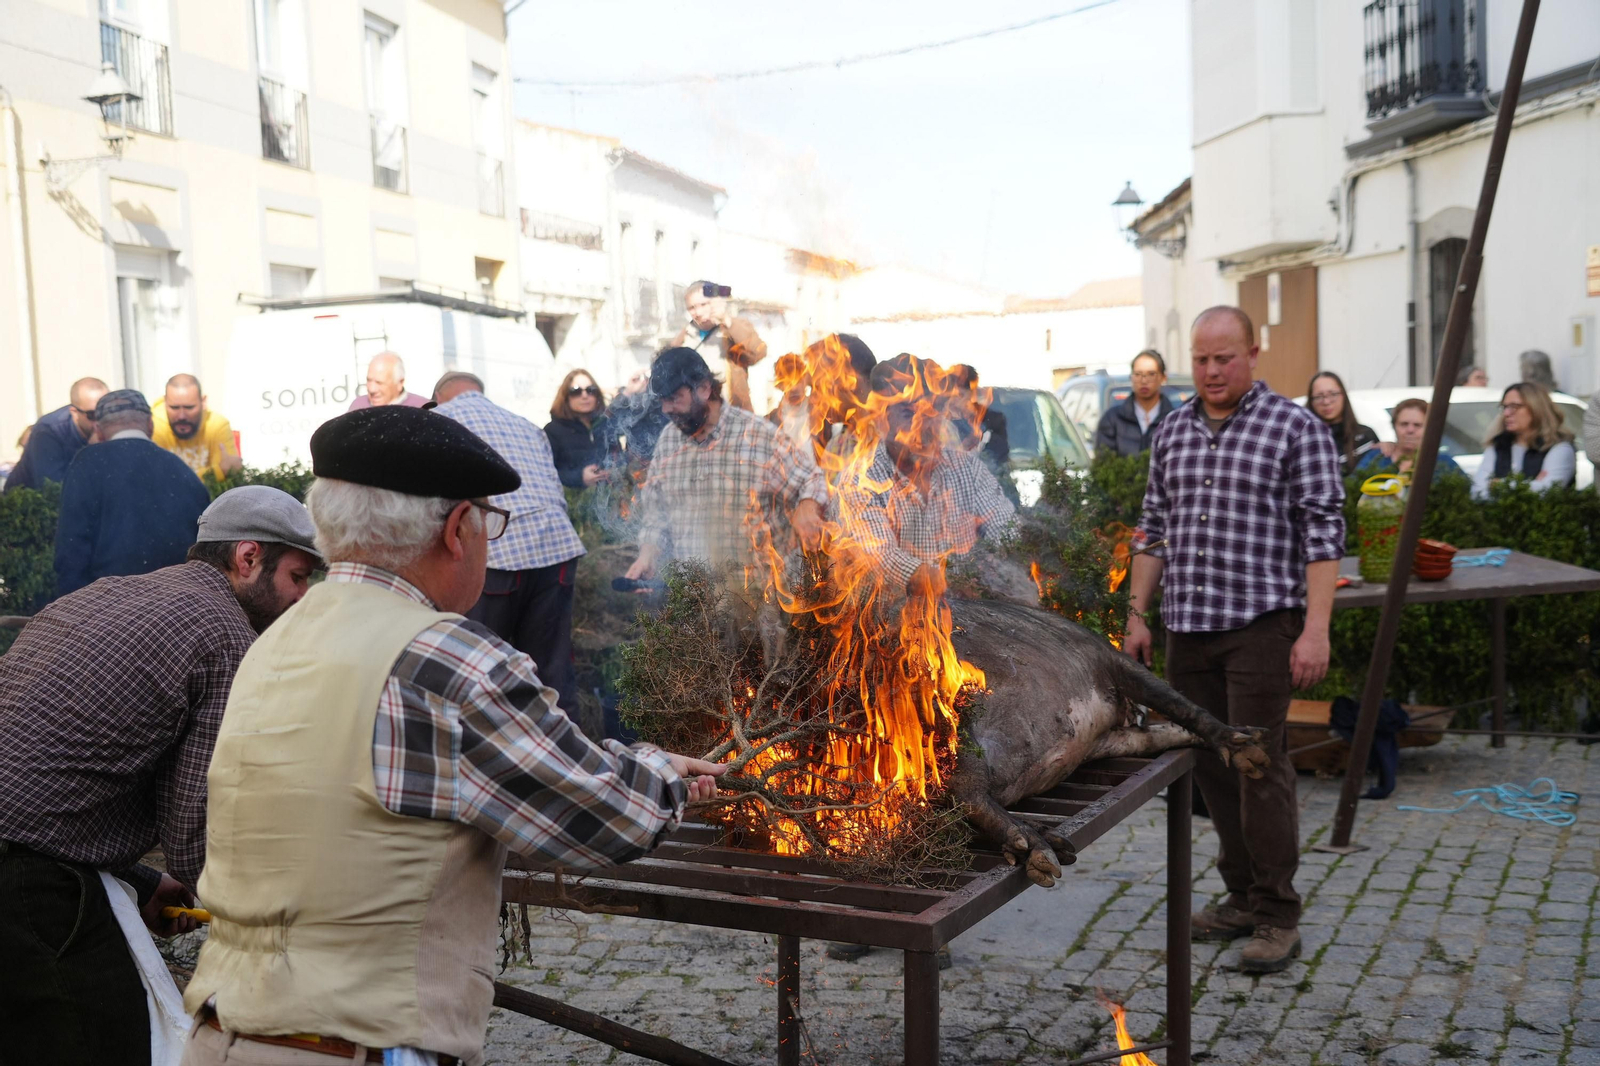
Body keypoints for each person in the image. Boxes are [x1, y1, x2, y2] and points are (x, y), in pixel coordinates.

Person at [180, 405, 723, 1066]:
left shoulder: (277, 638)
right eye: (491, 521)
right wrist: (662, 774)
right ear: (460, 529)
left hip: (221, 1035)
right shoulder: (441, 657)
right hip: (359, 1043)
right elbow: (607, 818)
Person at [0, 486, 320, 1065]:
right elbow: (200, 829)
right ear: (249, 558)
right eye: (299, 578)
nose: (302, 599)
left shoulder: (108, 593)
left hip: (27, 858)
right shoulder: (225, 635)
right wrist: (280, 926)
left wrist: (143, 884)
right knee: (106, 1043)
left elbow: (60, 773)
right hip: (27, 884)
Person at [1124, 306, 1344, 974]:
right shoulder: (1172, 430)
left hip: (1260, 628)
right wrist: (1136, 614)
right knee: (1213, 771)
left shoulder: (1295, 428)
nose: (1213, 371)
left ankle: (1278, 915)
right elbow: (1152, 528)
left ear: (1253, 352)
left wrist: (1315, 630)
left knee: (1258, 767)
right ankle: (1243, 897)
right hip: (1187, 630)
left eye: (1225, 357)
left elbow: (1324, 533)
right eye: (1202, 359)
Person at [433, 371, 588, 716]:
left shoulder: (440, 418)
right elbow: (555, 493)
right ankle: (570, 761)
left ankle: (495, 760)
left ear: (441, 396)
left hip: (497, 554)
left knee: (484, 670)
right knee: (553, 671)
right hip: (556, 547)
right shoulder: (526, 425)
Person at [624, 347, 827, 584]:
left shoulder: (758, 435)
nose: (666, 410)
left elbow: (812, 479)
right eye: (662, 401)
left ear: (704, 388)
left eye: (674, 399)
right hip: (693, 598)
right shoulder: (669, 440)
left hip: (758, 595)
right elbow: (656, 512)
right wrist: (647, 556)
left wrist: (807, 507)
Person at [54, 390, 213, 597]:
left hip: (109, 607)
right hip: (176, 606)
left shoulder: (87, 463)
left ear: (99, 430)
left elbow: (71, 549)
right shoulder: (181, 469)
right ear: (150, 425)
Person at [671, 280, 768, 412]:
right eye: (692, 308)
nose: (698, 312)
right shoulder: (684, 336)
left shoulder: (733, 328)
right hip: (696, 414)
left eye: (703, 304)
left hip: (731, 411)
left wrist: (727, 321)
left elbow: (758, 353)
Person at [3, 376, 108, 494]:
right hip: (26, 504)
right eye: (92, 414)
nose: (100, 420)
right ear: (74, 412)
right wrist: (92, 450)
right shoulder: (49, 431)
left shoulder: (114, 423)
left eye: (106, 411)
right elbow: (52, 488)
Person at [1471, 381, 1576, 499]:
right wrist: (1533, 485)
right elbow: (1477, 493)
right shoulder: (1498, 446)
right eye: (1504, 407)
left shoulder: (1559, 447)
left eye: (1514, 407)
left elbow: (1549, 491)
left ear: (1536, 408)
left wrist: (1498, 485)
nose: (1506, 413)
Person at [152, 373, 244, 482]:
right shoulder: (154, 425)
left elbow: (230, 470)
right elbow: (161, 479)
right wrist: (219, 471)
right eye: (174, 408)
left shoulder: (218, 425)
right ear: (165, 402)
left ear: (203, 402)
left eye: (189, 408)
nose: (181, 416)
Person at [1355, 399, 1466, 482]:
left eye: (1417, 425)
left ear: (1429, 429)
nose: (1410, 430)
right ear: (1394, 426)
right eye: (1404, 424)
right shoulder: (1375, 459)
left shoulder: (1445, 464)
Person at [546, 368, 619, 489]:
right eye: (576, 391)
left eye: (591, 390)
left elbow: (619, 456)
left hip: (612, 499)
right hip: (574, 503)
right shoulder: (552, 431)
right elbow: (546, 473)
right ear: (566, 396)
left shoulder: (605, 424)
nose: (584, 396)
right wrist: (580, 477)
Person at [1095, 350, 1176, 457]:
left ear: (1163, 377)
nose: (1144, 381)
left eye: (1151, 374)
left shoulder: (1174, 421)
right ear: (1131, 377)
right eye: (1138, 374)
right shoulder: (1112, 420)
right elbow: (1104, 464)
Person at [1306, 370, 1377, 476]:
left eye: (1333, 394)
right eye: (1319, 397)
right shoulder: (1304, 439)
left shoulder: (1365, 436)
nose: (1326, 402)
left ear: (1343, 395)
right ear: (1311, 401)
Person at [348, 350, 430, 410]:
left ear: (399, 383)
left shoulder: (422, 408)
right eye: (369, 380)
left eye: (379, 383)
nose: (372, 389)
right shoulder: (358, 406)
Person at [767, 352, 814, 450]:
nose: (793, 388)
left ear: (806, 380)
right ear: (780, 385)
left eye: (798, 380)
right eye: (787, 382)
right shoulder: (769, 422)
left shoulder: (822, 418)